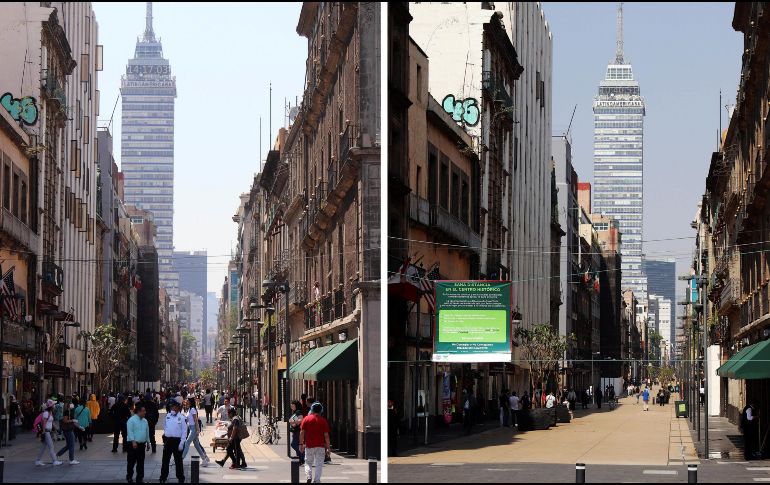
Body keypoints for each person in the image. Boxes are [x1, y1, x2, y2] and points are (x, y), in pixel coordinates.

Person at [300, 402, 330, 484]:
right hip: (320, 446)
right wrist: (328, 448)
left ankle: (309, 476)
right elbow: (326, 435)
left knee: (308, 463)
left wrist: (301, 444)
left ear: (312, 410)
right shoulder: (323, 421)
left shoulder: (306, 419)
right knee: (319, 464)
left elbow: (302, 432)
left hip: (309, 445)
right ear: (321, 411)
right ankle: (317, 480)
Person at [159, 400, 187, 483]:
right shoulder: (168, 416)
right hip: (168, 441)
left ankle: (180, 478)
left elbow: (184, 431)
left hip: (177, 441)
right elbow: (165, 427)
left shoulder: (182, 418)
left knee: (178, 461)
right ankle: (163, 477)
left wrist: (182, 443)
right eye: (171, 406)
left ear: (178, 408)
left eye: (174, 406)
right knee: (165, 460)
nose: (172, 408)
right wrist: (165, 436)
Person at [181, 397, 210, 466]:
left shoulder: (193, 410)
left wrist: (197, 430)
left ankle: (181, 459)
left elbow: (196, 420)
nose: (186, 402)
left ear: (190, 402)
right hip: (191, 428)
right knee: (197, 445)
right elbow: (189, 420)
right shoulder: (189, 410)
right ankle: (204, 459)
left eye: (187, 401)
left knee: (187, 442)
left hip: (193, 429)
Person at [127, 403, 150, 483]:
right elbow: (130, 432)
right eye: (143, 411)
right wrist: (133, 441)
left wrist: (148, 442)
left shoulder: (145, 421)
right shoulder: (131, 420)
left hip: (141, 444)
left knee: (141, 462)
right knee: (131, 462)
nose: (145, 412)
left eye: (145, 411)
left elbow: (147, 432)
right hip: (132, 444)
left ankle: (139, 478)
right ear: (138, 412)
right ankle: (129, 477)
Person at [35, 399, 62, 466]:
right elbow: (44, 423)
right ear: (51, 406)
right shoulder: (46, 413)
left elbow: (51, 422)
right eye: (53, 405)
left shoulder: (50, 413)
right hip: (46, 432)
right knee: (51, 446)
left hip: (48, 431)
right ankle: (55, 460)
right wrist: (43, 432)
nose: (54, 406)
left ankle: (38, 460)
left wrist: (56, 429)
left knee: (43, 447)